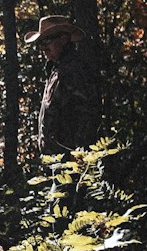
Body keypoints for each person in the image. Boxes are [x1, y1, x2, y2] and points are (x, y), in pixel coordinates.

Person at [24, 15, 101, 155]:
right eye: (41, 43)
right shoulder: (56, 70)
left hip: (72, 163)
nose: (44, 48)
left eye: (47, 41)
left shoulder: (75, 70)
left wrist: (79, 156)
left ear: (63, 39)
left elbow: (88, 117)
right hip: (55, 163)